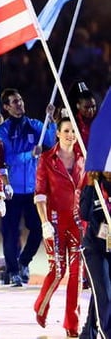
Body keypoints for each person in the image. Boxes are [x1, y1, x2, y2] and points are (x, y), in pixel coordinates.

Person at [0, 88, 56, 286]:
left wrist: (51, 120)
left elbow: (50, 141)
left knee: (38, 229)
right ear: (6, 107)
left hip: (32, 190)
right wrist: (30, 154)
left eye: (20, 100)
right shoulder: (3, 130)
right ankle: (13, 271)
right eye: (14, 102)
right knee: (10, 233)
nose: (19, 104)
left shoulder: (35, 125)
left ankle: (23, 262)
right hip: (11, 190)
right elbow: (6, 158)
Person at [34, 111, 85, 337]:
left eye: (73, 131)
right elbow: (40, 194)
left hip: (77, 222)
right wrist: (45, 222)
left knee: (76, 273)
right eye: (66, 131)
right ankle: (40, 307)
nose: (70, 135)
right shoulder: (47, 159)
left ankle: (71, 325)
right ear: (57, 134)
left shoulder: (84, 156)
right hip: (54, 222)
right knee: (58, 271)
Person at [79, 170, 111, 339]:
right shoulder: (95, 185)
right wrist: (91, 185)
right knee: (105, 294)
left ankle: (88, 332)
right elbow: (84, 213)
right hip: (95, 249)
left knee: (102, 292)